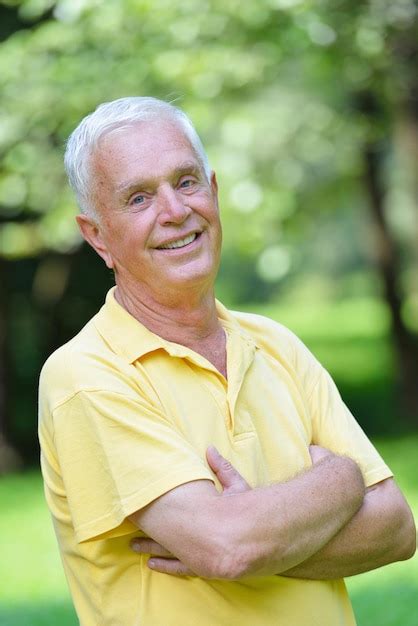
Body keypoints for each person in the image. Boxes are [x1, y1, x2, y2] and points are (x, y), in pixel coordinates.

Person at [38, 96, 415, 626]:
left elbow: (397, 528)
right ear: (97, 236)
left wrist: (264, 532)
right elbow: (226, 546)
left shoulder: (277, 344)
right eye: (139, 197)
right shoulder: (86, 375)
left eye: (186, 182)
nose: (174, 211)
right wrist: (342, 483)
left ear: (213, 192)